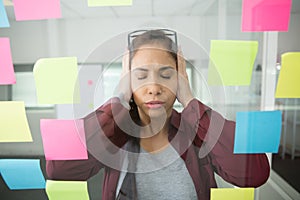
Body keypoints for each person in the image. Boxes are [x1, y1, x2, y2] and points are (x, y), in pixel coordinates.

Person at [46, 29, 270, 200]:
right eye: (141, 76)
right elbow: (59, 168)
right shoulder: (114, 133)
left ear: (181, 78)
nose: (154, 87)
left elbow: (254, 172)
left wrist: (190, 101)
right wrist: (119, 100)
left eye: (166, 74)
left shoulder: (197, 131)